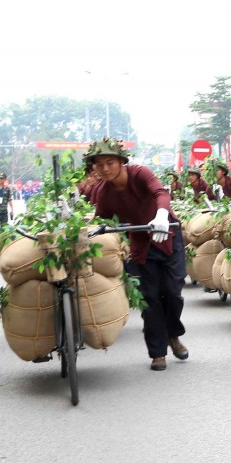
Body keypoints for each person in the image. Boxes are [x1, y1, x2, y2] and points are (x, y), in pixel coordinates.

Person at [82, 137, 188, 372]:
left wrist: (162, 215)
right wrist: (85, 229)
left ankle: (173, 335)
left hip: (166, 236)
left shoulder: (140, 174)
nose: (105, 169)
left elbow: (160, 193)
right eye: (99, 165)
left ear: (121, 161)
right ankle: (158, 353)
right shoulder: (103, 193)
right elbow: (103, 220)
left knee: (173, 293)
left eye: (110, 162)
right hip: (140, 246)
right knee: (149, 299)